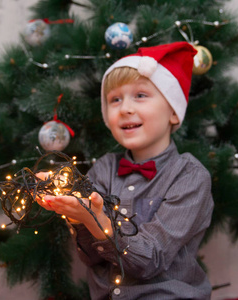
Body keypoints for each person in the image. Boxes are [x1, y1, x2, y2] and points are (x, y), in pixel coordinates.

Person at [37, 42, 214, 300]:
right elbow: (90, 257)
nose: (125, 108)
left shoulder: (189, 176)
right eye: (115, 99)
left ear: (173, 112)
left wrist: (99, 221)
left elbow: (150, 260)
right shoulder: (105, 168)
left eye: (140, 95)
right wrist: (78, 217)